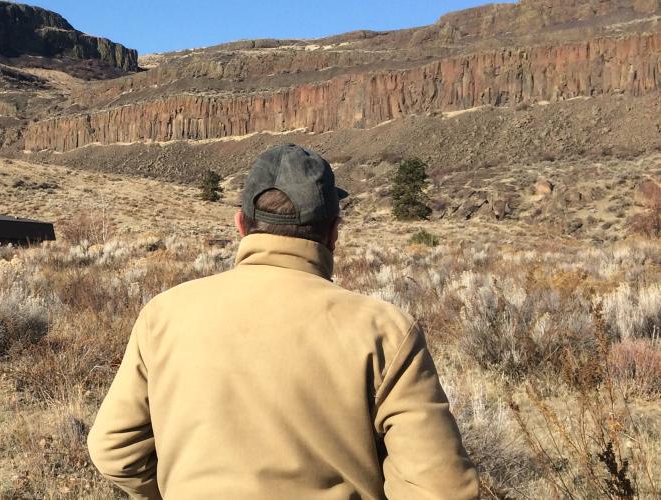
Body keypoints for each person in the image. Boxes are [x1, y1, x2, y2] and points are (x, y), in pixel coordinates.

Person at [87, 144, 478, 499]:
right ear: (333, 233)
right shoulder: (385, 330)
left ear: (241, 225)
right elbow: (441, 489)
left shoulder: (164, 314)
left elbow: (114, 448)